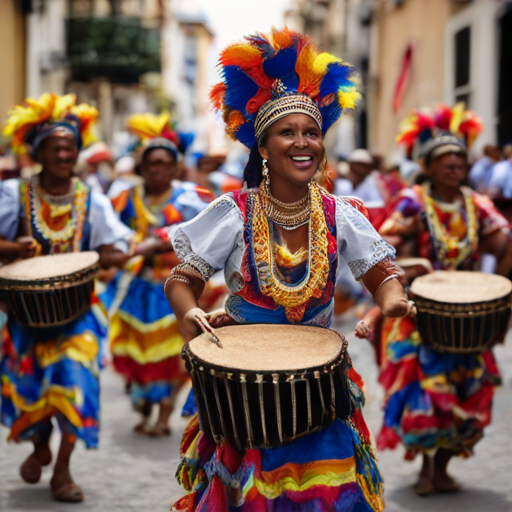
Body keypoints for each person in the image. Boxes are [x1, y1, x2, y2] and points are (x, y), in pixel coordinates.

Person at [164, 27, 412, 512]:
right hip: (243, 388)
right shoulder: (233, 212)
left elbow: (382, 274)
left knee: (324, 495)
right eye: (287, 132)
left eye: (312, 132)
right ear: (263, 147)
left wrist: (392, 300)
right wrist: (189, 314)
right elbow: (182, 280)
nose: (303, 143)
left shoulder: (341, 214)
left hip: (318, 387)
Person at [0, 93, 133, 502]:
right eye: (54, 147)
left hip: (78, 313)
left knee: (75, 380)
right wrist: (12, 250)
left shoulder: (90, 198)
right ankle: (39, 443)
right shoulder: (13, 195)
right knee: (32, 388)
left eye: (70, 146)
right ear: (37, 151)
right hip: (24, 316)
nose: (64, 153)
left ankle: (62, 471)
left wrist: (110, 255)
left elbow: (115, 247)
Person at [377, 133, 511, 495]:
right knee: (425, 394)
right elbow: (379, 254)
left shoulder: (476, 204)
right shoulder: (411, 202)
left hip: (468, 319)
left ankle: (442, 466)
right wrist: (408, 243)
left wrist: (496, 295)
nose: (455, 167)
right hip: (420, 318)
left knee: (471, 392)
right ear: (428, 166)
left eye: (461, 162)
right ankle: (424, 467)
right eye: (447, 160)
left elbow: (503, 243)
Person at [103, 112, 213, 437]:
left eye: (165, 162)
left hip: (176, 287)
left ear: (175, 166)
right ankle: (145, 405)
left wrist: (159, 244)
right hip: (135, 288)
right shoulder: (124, 197)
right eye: (151, 162)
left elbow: (201, 235)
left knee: (173, 352)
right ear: (142, 165)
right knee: (135, 351)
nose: (157, 168)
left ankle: (165, 413)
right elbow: (115, 234)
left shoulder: (190, 198)